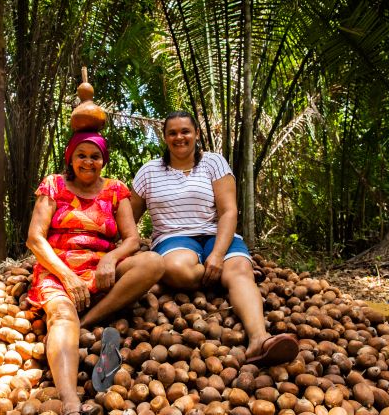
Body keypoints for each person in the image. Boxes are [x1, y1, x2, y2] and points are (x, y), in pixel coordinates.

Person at [130, 111, 298, 366]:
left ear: (196, 134)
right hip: (174, 237)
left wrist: (217, 255)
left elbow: (229, 211)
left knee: (240, 269)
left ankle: (259, 339)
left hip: (215, 233)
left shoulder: (213, 162)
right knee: (177, 268)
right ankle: (220, 281)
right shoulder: (149, 172)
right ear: (164, 137)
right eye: (172, 132)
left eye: (185, 131)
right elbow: (128, 217)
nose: (179, 137)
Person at [26, 131, 165, 415]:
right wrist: (66, 275)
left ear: (103, 160)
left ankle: (87, 321)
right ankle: (70, 401)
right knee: (62, 316)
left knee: (153, 263)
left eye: (95, 156)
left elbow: (132, 240)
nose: (88, 162)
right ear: (70, 158)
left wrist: (110, 259)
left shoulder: (116, 189)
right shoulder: (54, 185)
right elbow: (35, 239)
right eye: (81, 155)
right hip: (58, 268)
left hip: (100, 268)